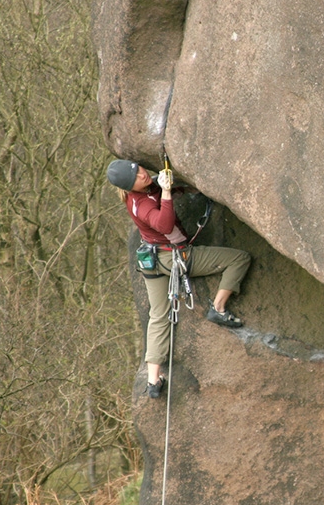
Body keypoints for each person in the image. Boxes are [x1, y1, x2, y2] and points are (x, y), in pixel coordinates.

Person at [107, 159, 251, 398]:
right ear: (129, 187)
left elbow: (158, 187)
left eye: (139, 169)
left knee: (158, 315)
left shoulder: (145, 189)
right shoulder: (139, 204)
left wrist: (176, 186)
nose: (142, 175)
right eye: (135, 178)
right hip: (174, 257)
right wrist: (165, 191)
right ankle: (218, 307)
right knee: (239, 259)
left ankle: (153, 381)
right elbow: (164, 224)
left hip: (152, 260)